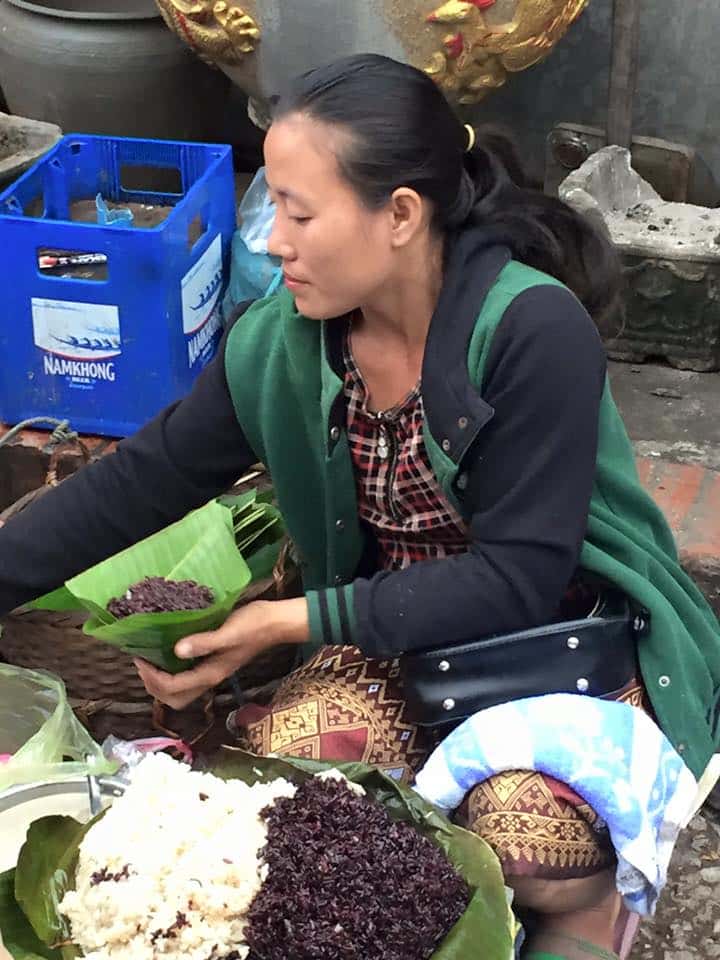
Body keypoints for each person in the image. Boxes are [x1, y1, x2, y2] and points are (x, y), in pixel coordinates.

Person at [1, 53, 719, 960]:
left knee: (521, 846)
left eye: (300, 213)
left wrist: (282, 621)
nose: (272, 241)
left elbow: (518, 580)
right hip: (395, 646)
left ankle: (588, 918)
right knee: (288, 809)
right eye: (275, 206)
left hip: (557, 652)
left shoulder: (533, 332)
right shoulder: (284, 348)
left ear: (401, 216)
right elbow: (139, 482)